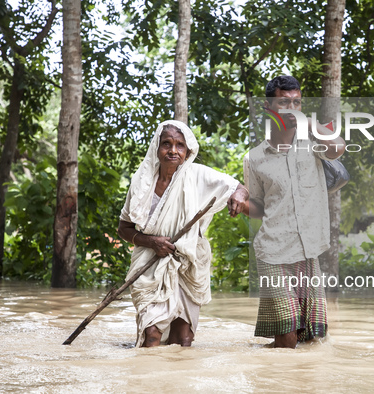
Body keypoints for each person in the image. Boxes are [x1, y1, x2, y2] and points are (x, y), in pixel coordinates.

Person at [117, 120, 248, 348]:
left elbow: (239, 187)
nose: (173, 151)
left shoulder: (197, 175)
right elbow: (123, 229)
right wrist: (152, 241)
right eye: (166, 144)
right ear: (156, 148)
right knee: (151, 334)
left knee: (183, 340)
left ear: (188, 152)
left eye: (180, 145)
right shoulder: (141, 182)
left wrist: (239, 195)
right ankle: (145, 381)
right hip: (150, 265)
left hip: (187, 264)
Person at [243, 75, 345, 348]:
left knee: (313, 338)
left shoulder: (313, 146)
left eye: (296, 103)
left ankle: (266, 362)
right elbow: (258, 206)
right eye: (283, 102)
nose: (290, 108)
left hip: (308, 250)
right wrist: (241, 205)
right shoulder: (254, 157)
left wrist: (310, 123)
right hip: (273, 252)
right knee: (287, 336)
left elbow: (338, 148)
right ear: (268, 106)